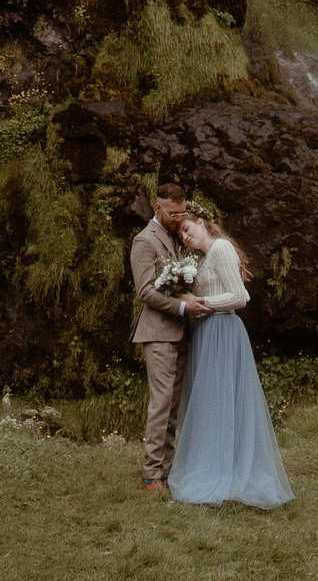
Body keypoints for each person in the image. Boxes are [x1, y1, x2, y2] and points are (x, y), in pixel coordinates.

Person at [166, 212, 294, 509]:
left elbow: (239, 296)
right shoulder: (200, 259)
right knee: (211, 403)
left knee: (226, 401)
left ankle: (232, 471)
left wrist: (200, 303)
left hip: (223, 330)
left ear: (201, 223)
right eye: (181, 235)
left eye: (187, 229)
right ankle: (213, 464)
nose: (185, 237)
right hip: (206, 334)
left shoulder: (221, 248)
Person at [126, 183, 199, 490]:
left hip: (180, 334)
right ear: (157, 208)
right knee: (161, 404)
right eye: (173, 213)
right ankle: (150, 476)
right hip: (157, 334)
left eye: (182, 212)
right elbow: (145, 291)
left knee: (172, 406)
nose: (178, 218)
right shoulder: (144, 241)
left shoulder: (175, 236)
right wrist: (182, 307)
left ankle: (166, 474)